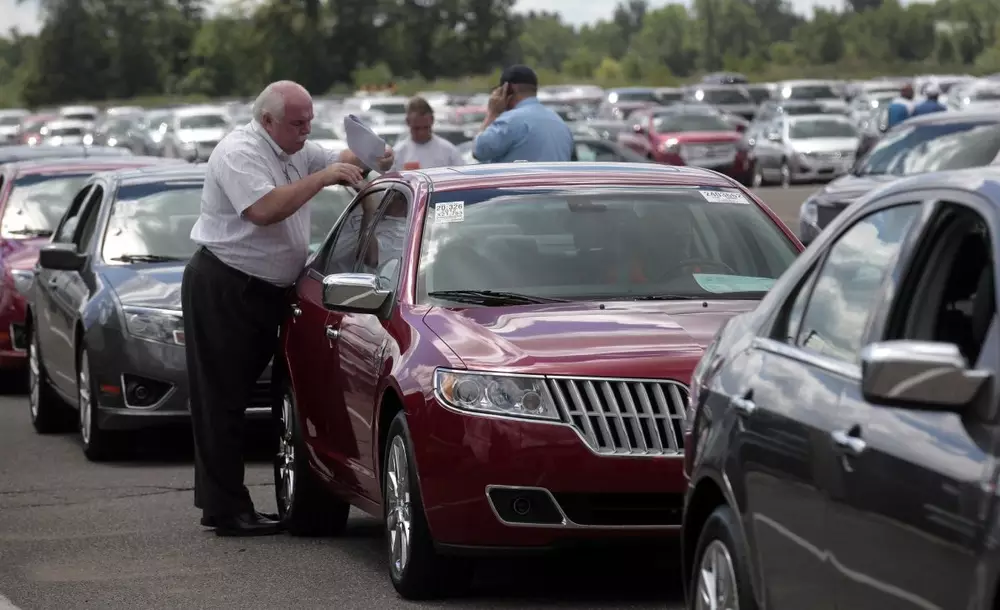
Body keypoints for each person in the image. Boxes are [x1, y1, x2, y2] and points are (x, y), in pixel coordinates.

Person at [183, 80, 393, 537]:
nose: (306, 130)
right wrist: (322, 179)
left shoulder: (295, 148)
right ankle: (225, 509)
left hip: (268, 290)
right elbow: (263, 210)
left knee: (245, 398)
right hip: (227, 284)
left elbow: (342, 161)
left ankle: (224, 504)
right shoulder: (239, 152)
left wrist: (373, 155)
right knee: (221, 401)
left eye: (309, 122)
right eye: (298, 123)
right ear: (267, 121)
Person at [473, 65, 574, 163]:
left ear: (507, 88)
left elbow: (479, 151)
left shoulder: (510, 120)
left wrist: (492, 113)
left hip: (519, 176)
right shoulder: (559, 122)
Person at [391, 97, 464, 170]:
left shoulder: (449, 151)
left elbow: (462, 174)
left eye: (426, 127)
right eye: (416, 128)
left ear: (432, 120)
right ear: (407, 122)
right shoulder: (398, 153)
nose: (421, 133)